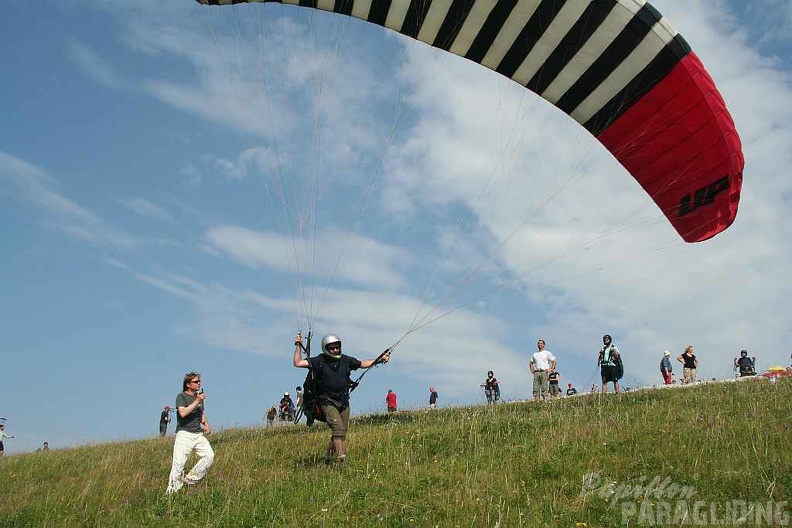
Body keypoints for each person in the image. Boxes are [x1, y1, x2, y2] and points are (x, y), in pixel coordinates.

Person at [293, 332, 390, 464]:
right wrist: (298, 344)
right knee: (338, 429)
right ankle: (341, 458)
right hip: (327, 401)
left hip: (343, 401)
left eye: (337, 347)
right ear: (325, 349)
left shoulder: (345, 360)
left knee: (341, 432)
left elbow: (363, 364)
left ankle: (327, 456)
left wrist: (379, 359)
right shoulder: (319, 361)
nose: (335, 350)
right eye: (331, 348)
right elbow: (297, 362)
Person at [165, 372, 214, 495]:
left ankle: (190, 478)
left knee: (209, 455)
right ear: (188, 384)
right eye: (196, 382)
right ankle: (171, 494)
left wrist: (206, 424)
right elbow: (183, 413)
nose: (199, 383)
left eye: (199, 381)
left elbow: (200, 413)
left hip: (197, 433)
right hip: (184, 434)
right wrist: (197, 400)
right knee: (178, 464)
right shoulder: (181, 397)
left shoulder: (199, 397)